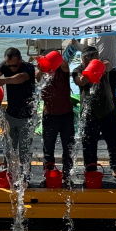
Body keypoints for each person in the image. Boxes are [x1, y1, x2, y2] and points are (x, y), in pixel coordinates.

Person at [72, 46, 116, 186]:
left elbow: (109, 65)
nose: (94, 59)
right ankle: (91, 170)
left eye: (96, 56)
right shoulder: (77, 70)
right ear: (84, 58)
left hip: (108, 110)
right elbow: (80, 81)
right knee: (88, 145)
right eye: (91, 57)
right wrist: (89, 71)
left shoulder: (102, 64)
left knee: (114, 142)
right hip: (89, 114)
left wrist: (97, 65)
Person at [0, 47, 36, 181]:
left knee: (25, 151)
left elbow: (21, 78)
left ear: (20, 60)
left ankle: (25, 178)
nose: (11, 68)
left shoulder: (29, 68)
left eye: (14, 65)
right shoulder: (6, 65)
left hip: (27, 116)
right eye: (9, 65)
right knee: (9, 149)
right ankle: (9, 175)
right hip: (10, 114)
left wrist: (4, 80)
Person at [36, 49, 75, 188]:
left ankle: (67, 176)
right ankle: (49, 176)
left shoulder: (62, 70)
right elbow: (37, 75)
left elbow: (64, 64)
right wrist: (42, 64)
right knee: (48, 150)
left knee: (68, 148)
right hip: (49, 115)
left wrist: (55, 59)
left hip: (66, 115)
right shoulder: (43, 73)